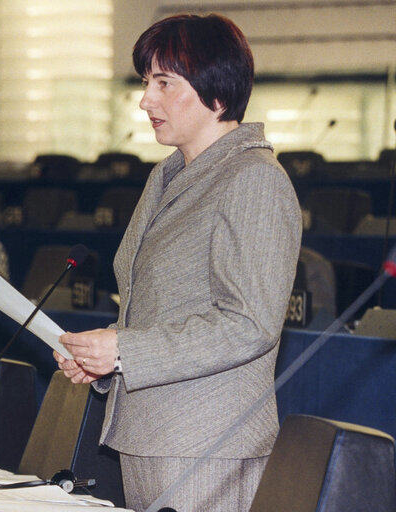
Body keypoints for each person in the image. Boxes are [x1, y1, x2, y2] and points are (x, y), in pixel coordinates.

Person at [53, 13, 302, 512]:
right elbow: (163, 308)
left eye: (164, 82)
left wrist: (123, 352)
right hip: (151, 433)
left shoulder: (252, 178)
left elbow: (249, 323)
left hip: (208, 444)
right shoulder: (167, 175)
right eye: (147, 82)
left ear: (217, 93)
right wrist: (101, 354)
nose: (146, 99)